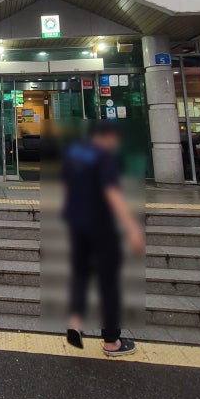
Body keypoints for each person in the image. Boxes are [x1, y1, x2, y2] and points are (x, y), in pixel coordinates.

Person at [60, 120, 145, 357]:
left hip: (78, 224)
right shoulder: (104, 156)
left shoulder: (75, 153)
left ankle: (75, 322)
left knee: (80, 274)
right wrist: (132, 228)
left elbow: (66, 186)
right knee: (108, 282)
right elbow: (112, 192)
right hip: (101, 227)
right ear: (109, 136)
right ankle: (111, 341)